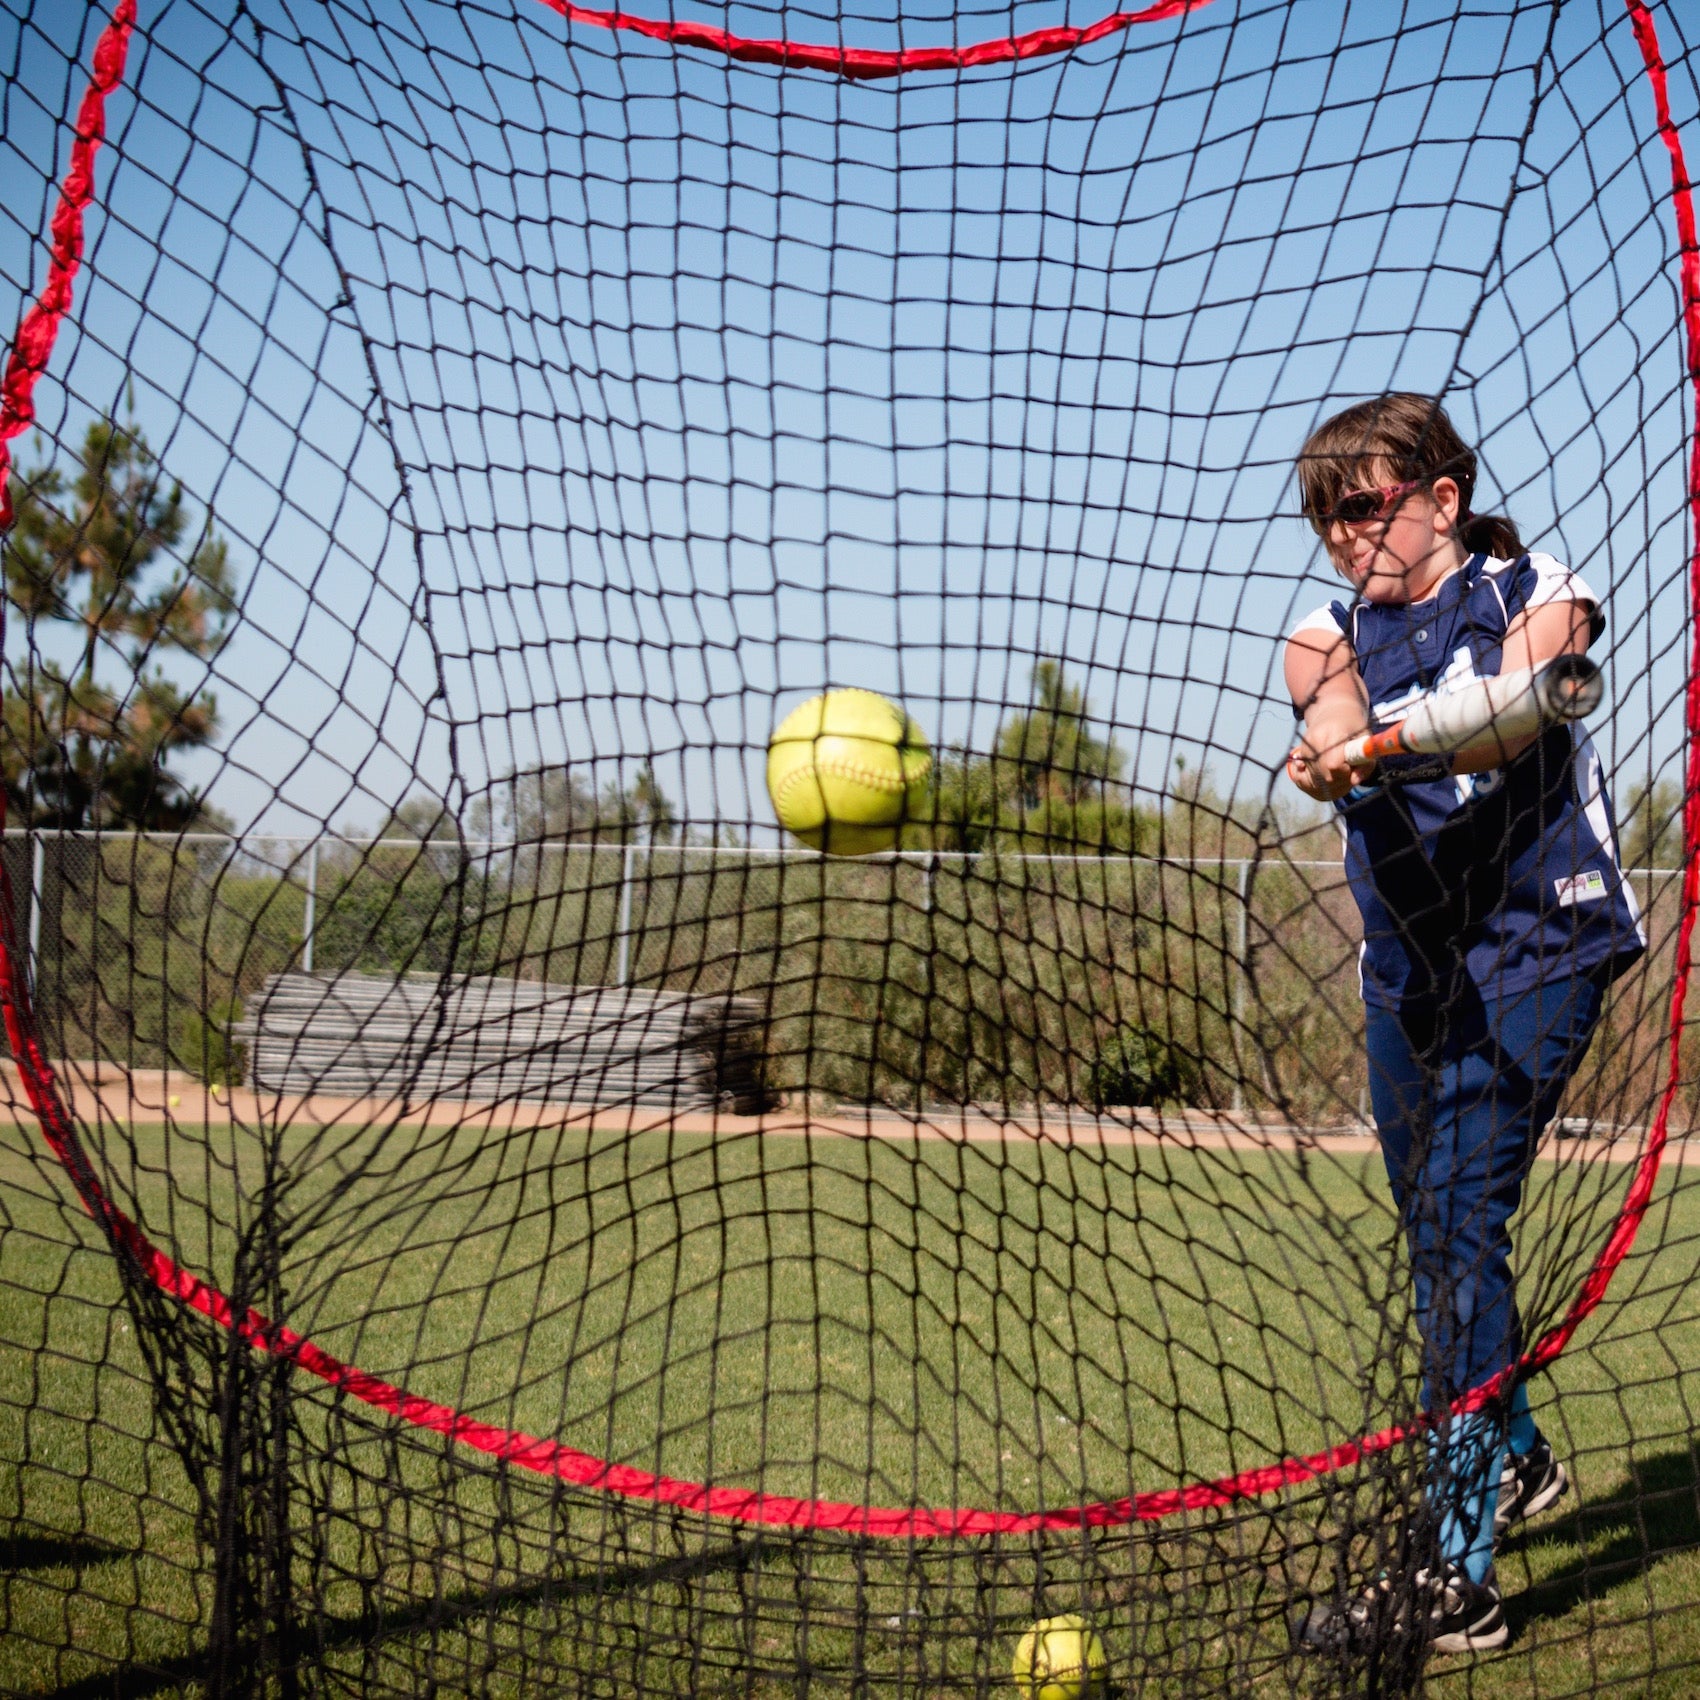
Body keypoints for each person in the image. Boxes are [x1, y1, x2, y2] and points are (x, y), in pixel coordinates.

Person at [1282, 393, 1645, 1655]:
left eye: (1362, 505)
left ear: (1441, 499)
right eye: (1325, 515)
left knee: (1455, 1215)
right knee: (1432, 1234)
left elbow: (1514, 706)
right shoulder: (1322, 631)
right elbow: (1326, 708)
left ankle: (1456, 1575)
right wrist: (1334, 744)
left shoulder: (1534, 586)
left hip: (1540, 943)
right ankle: (1519, 1455)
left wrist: (1376, 750)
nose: (1343, 534)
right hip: (1409, 972)